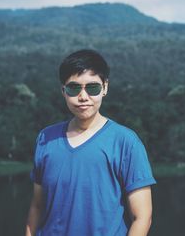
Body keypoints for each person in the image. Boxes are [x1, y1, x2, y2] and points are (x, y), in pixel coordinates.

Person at [25, 49, 156, 236]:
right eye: (74, 88)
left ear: (105, 88)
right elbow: (37, 206)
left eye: (92, 88)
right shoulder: (46, 139)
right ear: (63, 90)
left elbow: (142, 217)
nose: (83, 97)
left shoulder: (126, 142)